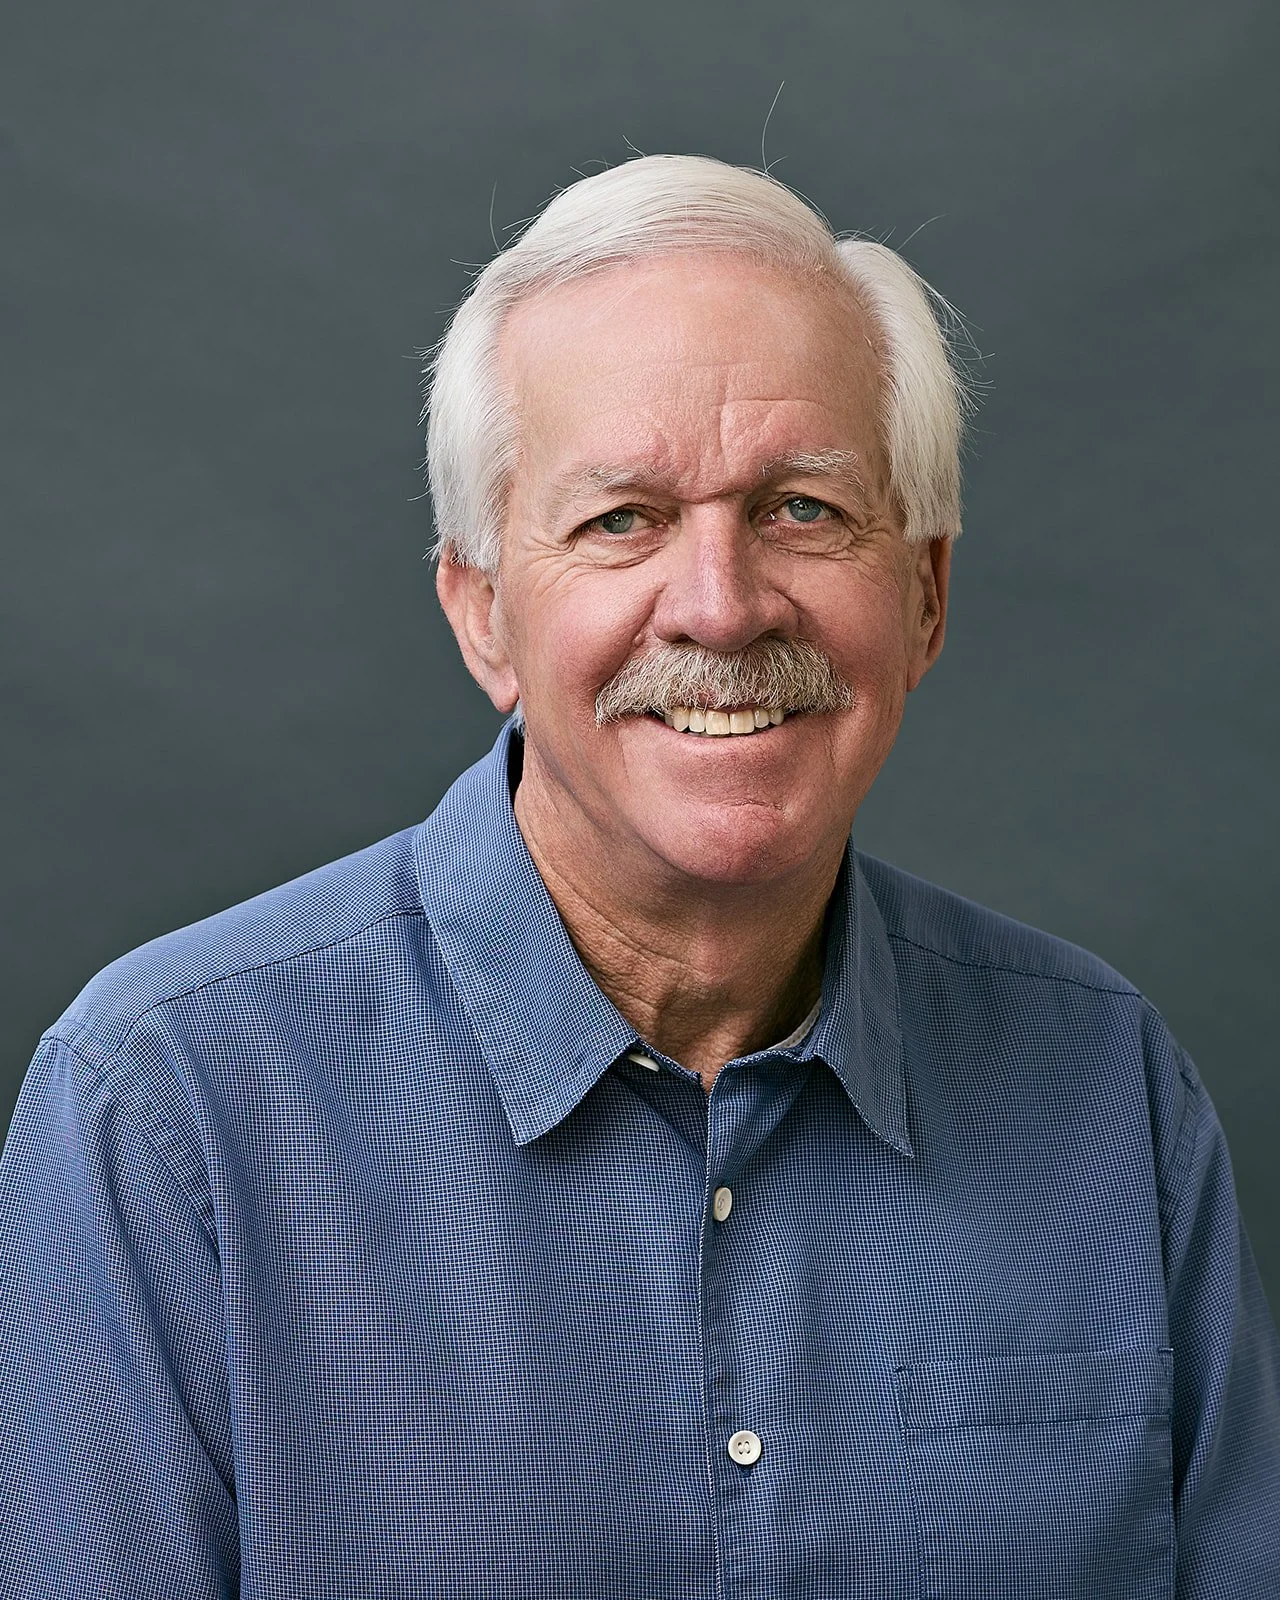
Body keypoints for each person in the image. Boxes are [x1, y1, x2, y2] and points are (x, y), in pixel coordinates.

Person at [2, 154, 1277, 1599]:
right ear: (484, 613)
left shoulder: (1109, 1089)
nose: (722, 607)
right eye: (622, 519)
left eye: (803, 506)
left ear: (924, 596)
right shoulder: (166, 1113)